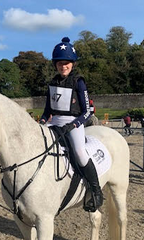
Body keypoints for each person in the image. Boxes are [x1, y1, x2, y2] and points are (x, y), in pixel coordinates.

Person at [40, 37, 103, 212]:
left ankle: (96, 190)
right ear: (56, 65)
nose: (63, 66)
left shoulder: (79, 82)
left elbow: (88, 110)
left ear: (72, 64)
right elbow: (47, 111)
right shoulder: (52, 83)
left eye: (67, 63)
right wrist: (43, 122)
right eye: (60, 63)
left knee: (79, 153)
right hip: (55, 123)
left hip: (74, 123)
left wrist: (74, 125)